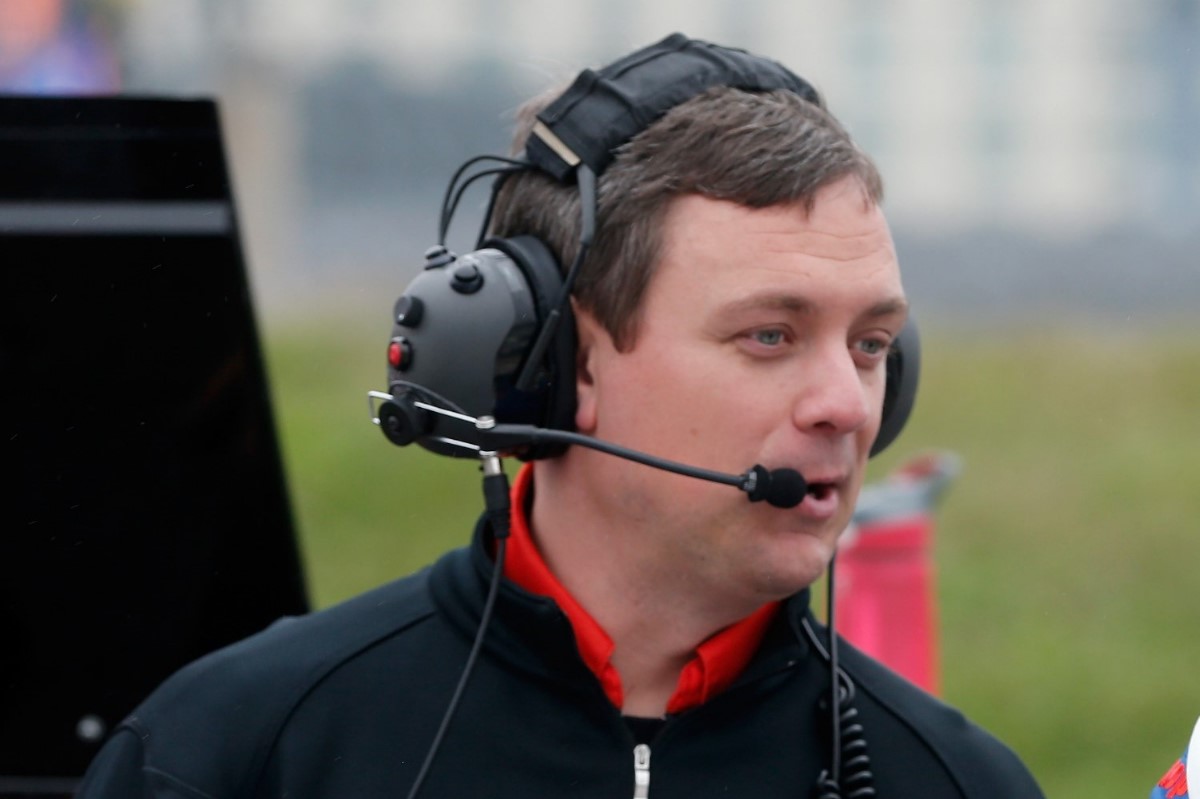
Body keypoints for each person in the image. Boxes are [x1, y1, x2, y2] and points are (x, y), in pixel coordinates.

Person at [76, 33, 1045, 798]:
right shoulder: (226, 755)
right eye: (769, 336)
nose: (845, 403)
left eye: (871, 345)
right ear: (558, 360)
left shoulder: (962, 783)